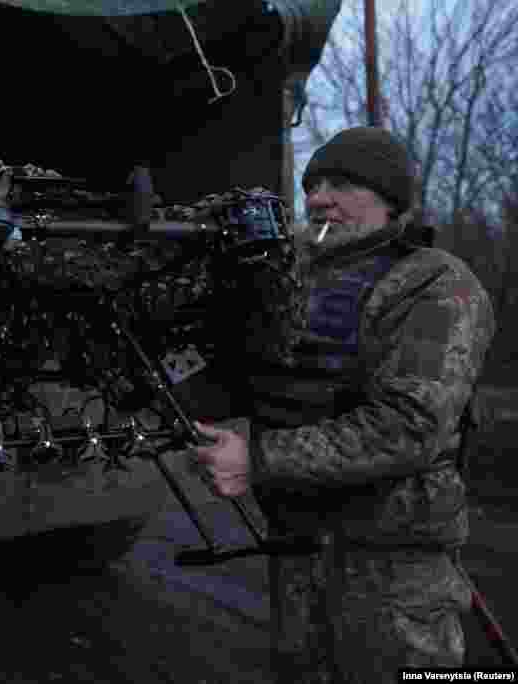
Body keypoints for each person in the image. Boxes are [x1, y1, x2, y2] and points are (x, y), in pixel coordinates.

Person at [191, 127, 496, 682]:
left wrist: (257, 459)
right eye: (314, 184)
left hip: (392, 566)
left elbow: (408, 427)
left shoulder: (435, 286)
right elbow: (255, 378)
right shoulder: (291, 281)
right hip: (295, 550)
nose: (318, 198)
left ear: (390, 202)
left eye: (343, 183)